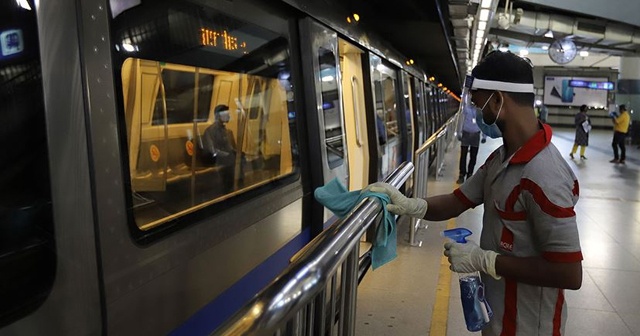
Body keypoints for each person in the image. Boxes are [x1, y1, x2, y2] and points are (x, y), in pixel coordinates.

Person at [366, 51, 582, 335]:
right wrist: (410, 205)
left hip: (529, 328)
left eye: (479, 104)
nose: (477, 112)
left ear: (498, 100)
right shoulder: (501, 159)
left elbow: (569, 273)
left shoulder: (545, 175)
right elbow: (457, 201)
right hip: (497, 319)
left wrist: (486, 260)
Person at [203, 104, 237, 193]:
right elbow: (212, 151)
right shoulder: (210, 131)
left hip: (229, 161)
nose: (229, 115)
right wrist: (227, 155)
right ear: (218, 116)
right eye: (226, 113)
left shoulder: (227, 131)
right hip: (219, 162)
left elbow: (229, 147)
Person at [456, 104, 487, 184]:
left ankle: (470, 174)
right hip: (466, 134)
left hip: (476, 135)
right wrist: (459, 132)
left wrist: (484, 136)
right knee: (463, 155)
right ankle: (462, 174)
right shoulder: (466, 108)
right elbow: (461, 120)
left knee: (473, 156)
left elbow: (484, 123)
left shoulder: (481, 111)